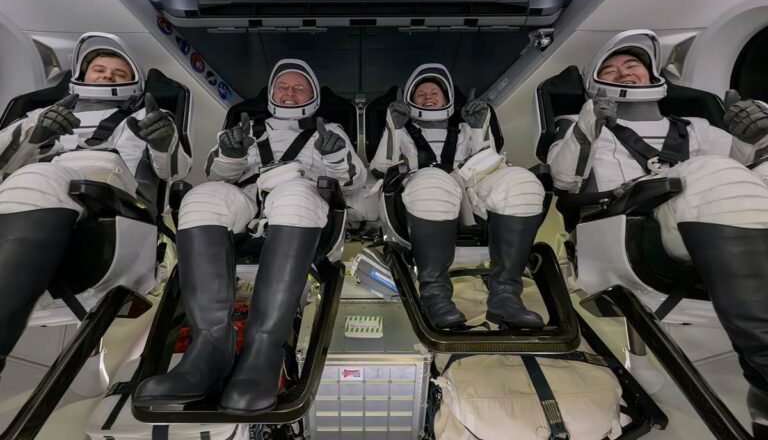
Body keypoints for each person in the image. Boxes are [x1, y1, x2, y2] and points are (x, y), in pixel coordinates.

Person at [546, 29, 768, 433]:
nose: (623, 73)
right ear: (595, 85)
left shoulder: (699, 129)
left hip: (713, 215)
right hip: (627, 228)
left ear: (652, 77)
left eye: (632, 65)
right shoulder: (577, 125)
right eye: (610, 70)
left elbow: (751, 169)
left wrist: (757, 135)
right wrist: (590, 122)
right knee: (712, 172)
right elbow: (565, 180)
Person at [134, 58, 365, 413]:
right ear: (271, 93)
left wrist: (334, 155)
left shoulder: (330, 131)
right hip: (247, 198)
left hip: (300, 197)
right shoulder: (245, 128)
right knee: (201, 197)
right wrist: (231, 154)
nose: (290, 93)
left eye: (299, 87)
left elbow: (353, 182)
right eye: (283, 87)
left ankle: (264, 349)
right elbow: (217, 176)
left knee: (295, 196)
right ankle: (210, 347)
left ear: (313, 96)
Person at [0, 32, 191, 373]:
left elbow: (174, 171)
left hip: (111, 199)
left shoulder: (148, 118)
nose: (107, 77)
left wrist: (164, 142)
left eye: (118, 73)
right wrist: (35, 136)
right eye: (99, 70)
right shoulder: (40, 115)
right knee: (33, 179)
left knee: (40, 177)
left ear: (133, 81)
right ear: (82, 75)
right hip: (23, 196)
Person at [371, 63, 545, 330]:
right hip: (420, 200)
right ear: (410, 101)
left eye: (435, 92)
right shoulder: (402, 132)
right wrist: (393, 128)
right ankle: (435, 297)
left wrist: (479, 128)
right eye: (420, 94)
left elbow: (487, 163)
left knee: (522, 182)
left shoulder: (465, 131)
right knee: (434, 181)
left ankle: (506, 298)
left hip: (469, 199)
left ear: (447, 98)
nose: (428, 97)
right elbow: (382, 169)